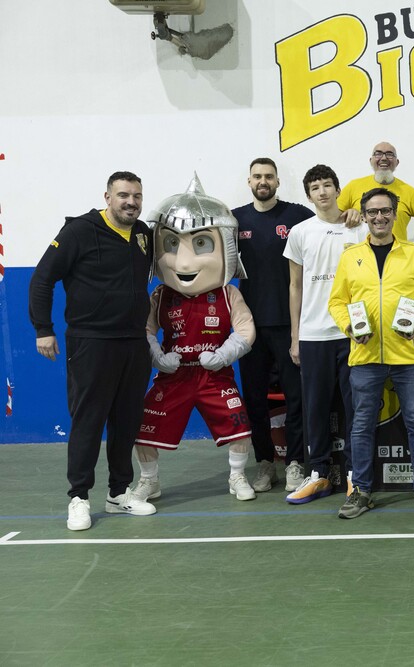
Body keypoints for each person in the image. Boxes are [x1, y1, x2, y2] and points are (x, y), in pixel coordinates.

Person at [29, 171, 156, 530]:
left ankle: (118, 494)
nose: (131, 202)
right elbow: (42, 279)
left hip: (133, 342)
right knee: (89, 421)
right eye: (123, 195)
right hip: (91, 342)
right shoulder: (79, 231)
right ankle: (79, 497)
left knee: (126, 421)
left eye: (136, 196)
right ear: (107, 197)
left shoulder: (143, 234)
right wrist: (43, 329)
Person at [131, 175, 258, 502]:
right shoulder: (161, 295)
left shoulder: (228, 294)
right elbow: (145, 329)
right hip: (174, 375)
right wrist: (158, 357)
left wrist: (224, 354)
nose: (184, 261)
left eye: (201, 244)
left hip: (215, 375)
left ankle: (237, 475)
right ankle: (149, 480)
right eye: (172, 245)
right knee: (143, 428)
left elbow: (246, 330)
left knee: (239, 427)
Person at [328, 187, 414, 519]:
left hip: (408, 355)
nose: (379, 217)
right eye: (372, 211)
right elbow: (337, 302)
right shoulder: (350, 256)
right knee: (362, 424)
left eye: (385, 211)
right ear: (364, 216)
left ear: (395, 215)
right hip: (365, 356)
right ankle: (361, 491)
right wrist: (349, 327)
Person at [283, 164, 367, 504]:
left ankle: (354, 474)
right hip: (314, 334)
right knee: (315, 408)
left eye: (328, 185)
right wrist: (295, 336)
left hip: (352, 333)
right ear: (308, 195)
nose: (322, 191)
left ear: (337, 190)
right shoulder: (300, 232)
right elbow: (295, 286)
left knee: (355, 407)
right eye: (316, 187)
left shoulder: (359, 228)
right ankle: (317, 473)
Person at [232, 158, 312, 494]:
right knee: (254, 399)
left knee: (296, 397)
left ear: (278, 181)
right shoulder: (234, 219)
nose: (263, 181)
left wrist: (350, 214)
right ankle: (265, 462)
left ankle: (294, 461)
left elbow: (330, 225)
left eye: (269, 176)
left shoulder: (298, 216)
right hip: (249, 327)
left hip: (289, 323)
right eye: (257, 176)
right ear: (249, 181)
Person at [337, 141, 414, 240]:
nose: (384, 158)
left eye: (390, 154)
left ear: (397, 162)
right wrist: (349, 213)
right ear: (371, 160)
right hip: (360, 249)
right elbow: (331, 220)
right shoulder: (353, 186)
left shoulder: (409, 192)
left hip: (397, 250)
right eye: (378, 154)